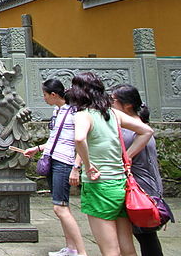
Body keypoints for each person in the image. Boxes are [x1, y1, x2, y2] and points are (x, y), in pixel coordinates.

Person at [67, 72, 154, 256]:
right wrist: (127, 157)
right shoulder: (114, 114)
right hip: (120, 185)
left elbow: (79, 138)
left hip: (99, 186)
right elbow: (146, 131)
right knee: (127, 248)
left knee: (110, 250)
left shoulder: (84, 115)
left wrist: (88, 165)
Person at [24, 79, 86, 256]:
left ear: (54, 95)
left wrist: (76, 166)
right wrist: (36, 149)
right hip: (52, 157)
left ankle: (81, 252)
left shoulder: (75, 112)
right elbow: (55, 139)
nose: (43, 98)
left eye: (45, 95)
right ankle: (71, 248)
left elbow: (81, 142)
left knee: (60, 208)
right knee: (61, 207)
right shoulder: (57, 111)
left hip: (64, 161)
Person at [111, 84, 171, 256]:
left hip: (143, 188)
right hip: (141, 185)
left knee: (146, 236)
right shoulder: (135, 127)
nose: (111, 104)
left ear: (127, 105)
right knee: (144, 236)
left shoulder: (135, 130)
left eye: (113, 100)